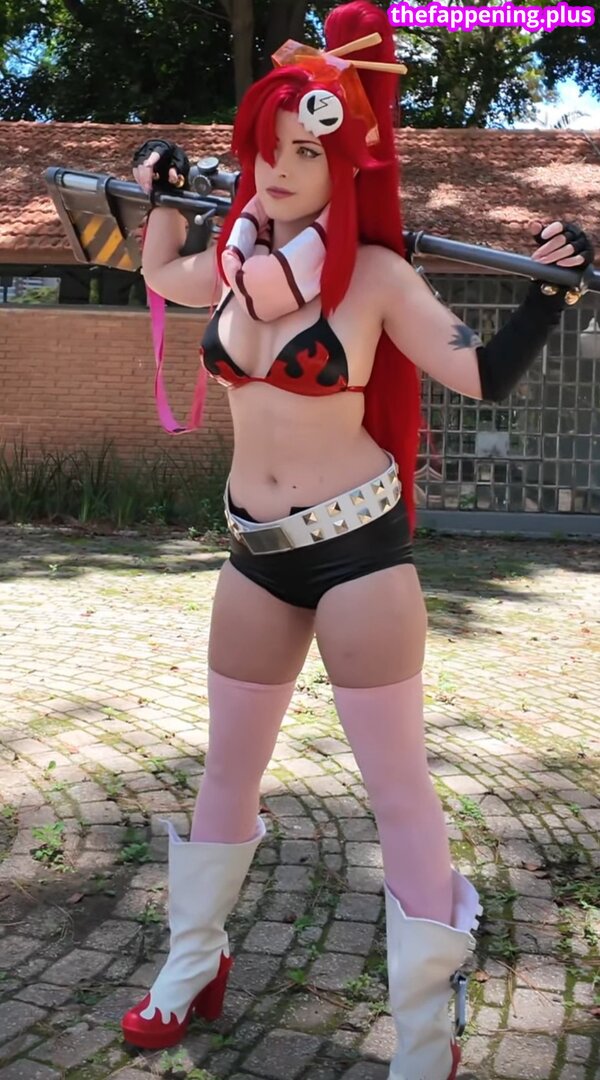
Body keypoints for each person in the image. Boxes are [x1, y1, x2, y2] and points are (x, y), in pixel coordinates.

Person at [121, 3, 593, 1076]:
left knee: (398, 793)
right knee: (226, 771)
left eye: (307, 152)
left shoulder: (375, 278)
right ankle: (192, 966)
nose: (281, 170)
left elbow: (481, 373)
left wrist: (551, 289)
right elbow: (158, 273)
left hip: (357, 557)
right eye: (268, 149)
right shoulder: (231, 263)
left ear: (344, 163)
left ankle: (426, 1037)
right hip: (255, 552)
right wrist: (160, 190)